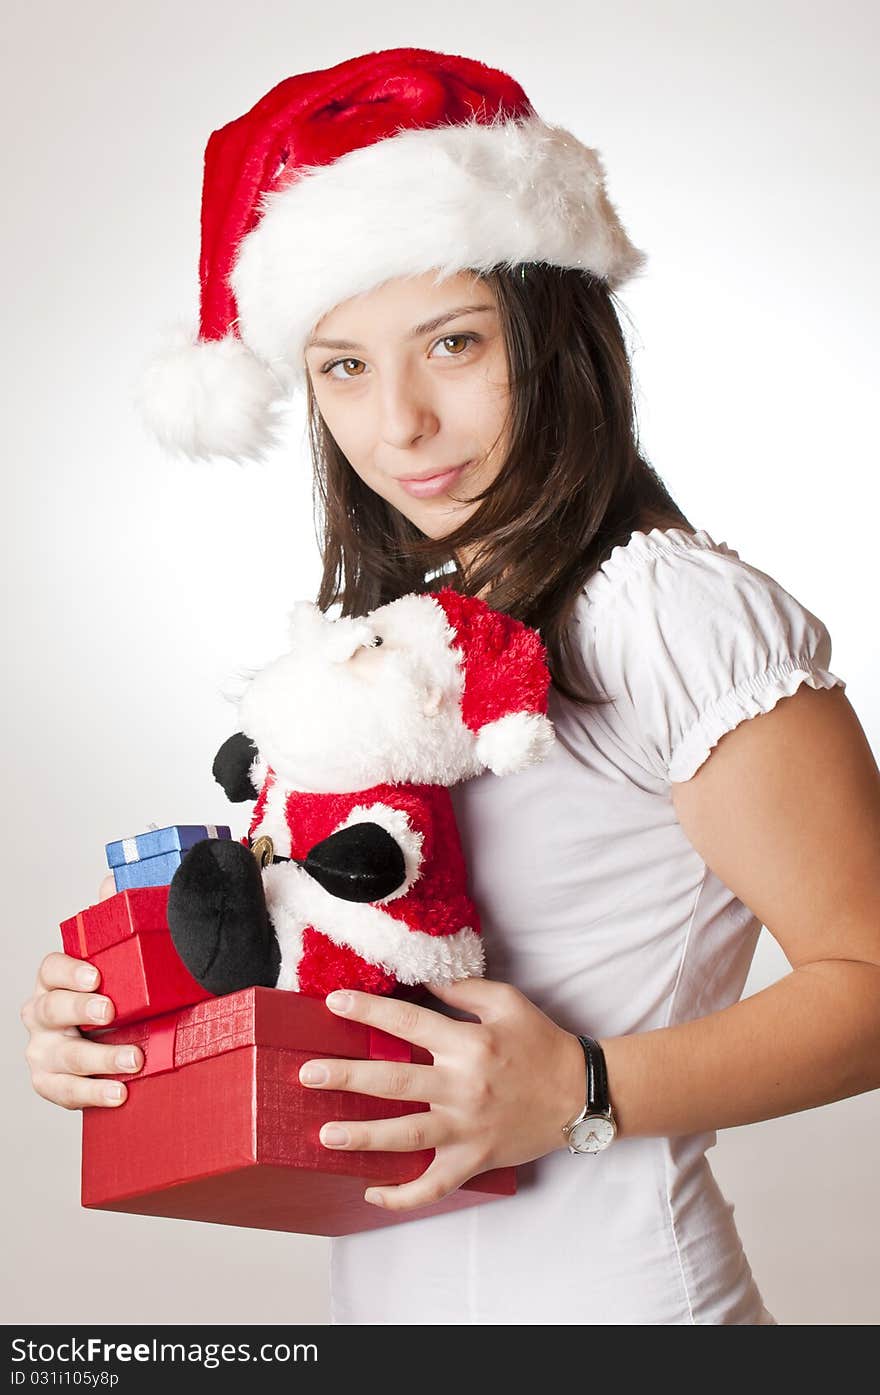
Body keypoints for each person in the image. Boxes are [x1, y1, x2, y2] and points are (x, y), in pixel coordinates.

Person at [20, 47, 880, 1326]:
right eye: (343, 366)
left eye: (453, 343)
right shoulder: (394, 644)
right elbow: (362, 968)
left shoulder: (663, 607)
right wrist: (136, 1020)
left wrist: (579, 1089)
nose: (401, 423)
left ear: (554, 332)